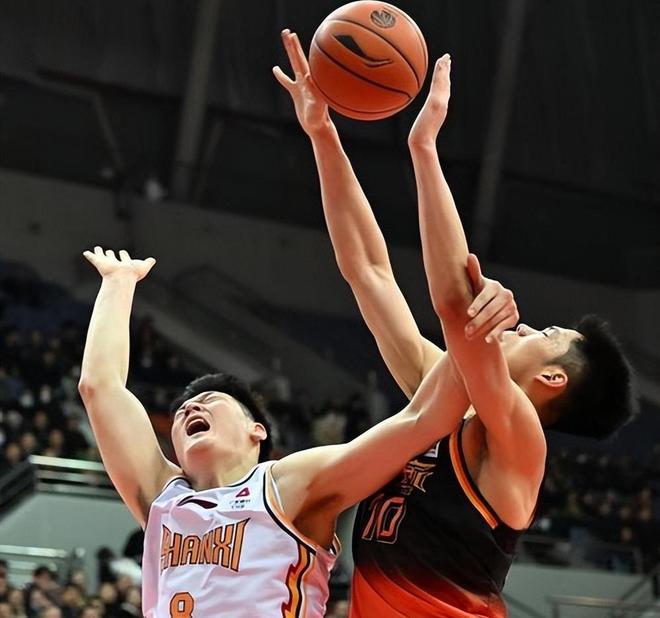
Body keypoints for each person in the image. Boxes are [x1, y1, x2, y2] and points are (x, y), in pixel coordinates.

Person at [274, 31, 638, 616]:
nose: (526, 329)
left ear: (552, 379)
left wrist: (425, 149)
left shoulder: (519, 445)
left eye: (545, 336)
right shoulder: (438, 401)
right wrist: (323, 134)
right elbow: (368, 272)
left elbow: (453, 308)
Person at [78, 245, 519, 617]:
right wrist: (118, 283)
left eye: (211, 400)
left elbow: (422, 420)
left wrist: (476, 328)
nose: (191, 407)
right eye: (181, 412)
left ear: (256, 431)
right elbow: (100, 388)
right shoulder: (163, 497)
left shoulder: (287, 485)